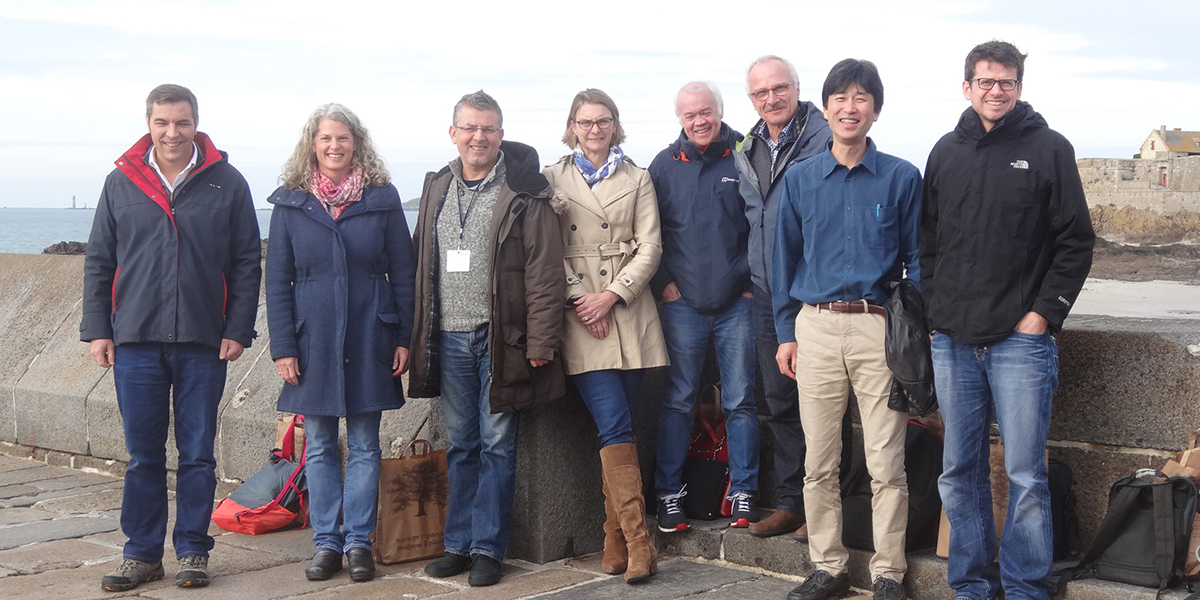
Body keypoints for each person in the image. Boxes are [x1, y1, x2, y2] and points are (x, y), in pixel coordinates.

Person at [921, 41, 1094, 600]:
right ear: (966, 85)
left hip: (1020, 342)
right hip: (952, 338)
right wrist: (935, 310)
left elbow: (1075, 242)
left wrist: (1043, 314)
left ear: (1019, 86)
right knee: (958, 471)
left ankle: (1025, 588)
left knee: (1025, 475)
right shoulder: (945, 152)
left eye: (1007, 82)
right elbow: (928, 242)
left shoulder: (1049, 149)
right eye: (986, 81)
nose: (996, 91)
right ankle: (971, 584)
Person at [81, 84, 261, 592]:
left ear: (195, 123)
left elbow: (248, 261)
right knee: (143, 455)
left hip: (205, 341)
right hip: (135, 338)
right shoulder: (121, 182)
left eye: (181, 122)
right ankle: (141, 554)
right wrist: (98, 330)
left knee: (198, 454)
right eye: (162, 123)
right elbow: (100, 260)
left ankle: (192, 551)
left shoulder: (227, 181)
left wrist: (238, 329)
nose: (172, 132)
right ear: (149, 124)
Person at [773, 59, 920, 600]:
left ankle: (889, 573)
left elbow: (918, 260)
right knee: (819, 461)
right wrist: (786, 332)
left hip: (877, 328)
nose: (849, 107)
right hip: (814, 327)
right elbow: (782, 262)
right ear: (826, 106)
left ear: (875, 110)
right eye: (840, 97)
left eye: (861, 98)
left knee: (886, 461)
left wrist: (914, 326)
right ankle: (828, 567)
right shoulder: (801, 179)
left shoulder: (902, 176)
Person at [410, 90, 567, 587]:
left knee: (498, 445)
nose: (479, 137)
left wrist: (542, 341)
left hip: (502, 339)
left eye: (489, 128)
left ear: (502, 133)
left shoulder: (524, 190)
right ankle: (456, 544)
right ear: (453, 133)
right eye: (470, 128)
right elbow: (419, 264)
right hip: (448, 338)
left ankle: (487, 548)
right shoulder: (436, 187)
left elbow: (545, 272)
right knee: (462, 445)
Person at [264, 103, 416, 584]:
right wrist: (283, 345)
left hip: (373, 331)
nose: (335, 146)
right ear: (312, 143)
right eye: (326, 138)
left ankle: (358, 544)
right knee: (321, 445)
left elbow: (405, 273)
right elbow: (278, 279)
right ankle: (327, 543)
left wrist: (404, 337)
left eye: (343, 138)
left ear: (357, 143)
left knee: (367, 444)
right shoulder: (291, 202)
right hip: (313, 339)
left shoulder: (382, 197)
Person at [543, 88, 667, 583]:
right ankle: (641, 542)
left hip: (628, 310)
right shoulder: (552, 178)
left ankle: (614, 539)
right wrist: (581, 299)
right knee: (614, 424)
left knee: (624, 428)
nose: (594, 129)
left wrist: (612, 296)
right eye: (585, 121)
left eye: (603, 121)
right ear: (572, 126)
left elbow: (651, 244)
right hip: (580, 315)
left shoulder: (638, 177)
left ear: (616, 125)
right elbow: (545, 249)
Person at [648, 82, 759, 532]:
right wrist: (663, 285)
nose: (700, 121)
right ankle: (668, 493)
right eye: (691, 114)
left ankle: (744, 489)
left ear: (720, 111)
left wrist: (752, 286)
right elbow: (646, 231)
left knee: (741, 400)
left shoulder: (745, 153)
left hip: (738, 303)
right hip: (682, 305)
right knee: (677, 401)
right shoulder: (662, 165)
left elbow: (762, 223)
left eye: (706, 112)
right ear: (680, 118)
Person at [732, 55, 833, 540]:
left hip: (814, 291)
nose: (771, 98)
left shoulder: (825, 133)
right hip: (768, 294)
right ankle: (793, 502)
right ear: (751, 99)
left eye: (779, 88)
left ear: (797, 87)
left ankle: (826, 508)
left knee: (826, 402)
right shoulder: (747, 146)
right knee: (780, 399)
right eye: (760, 93)